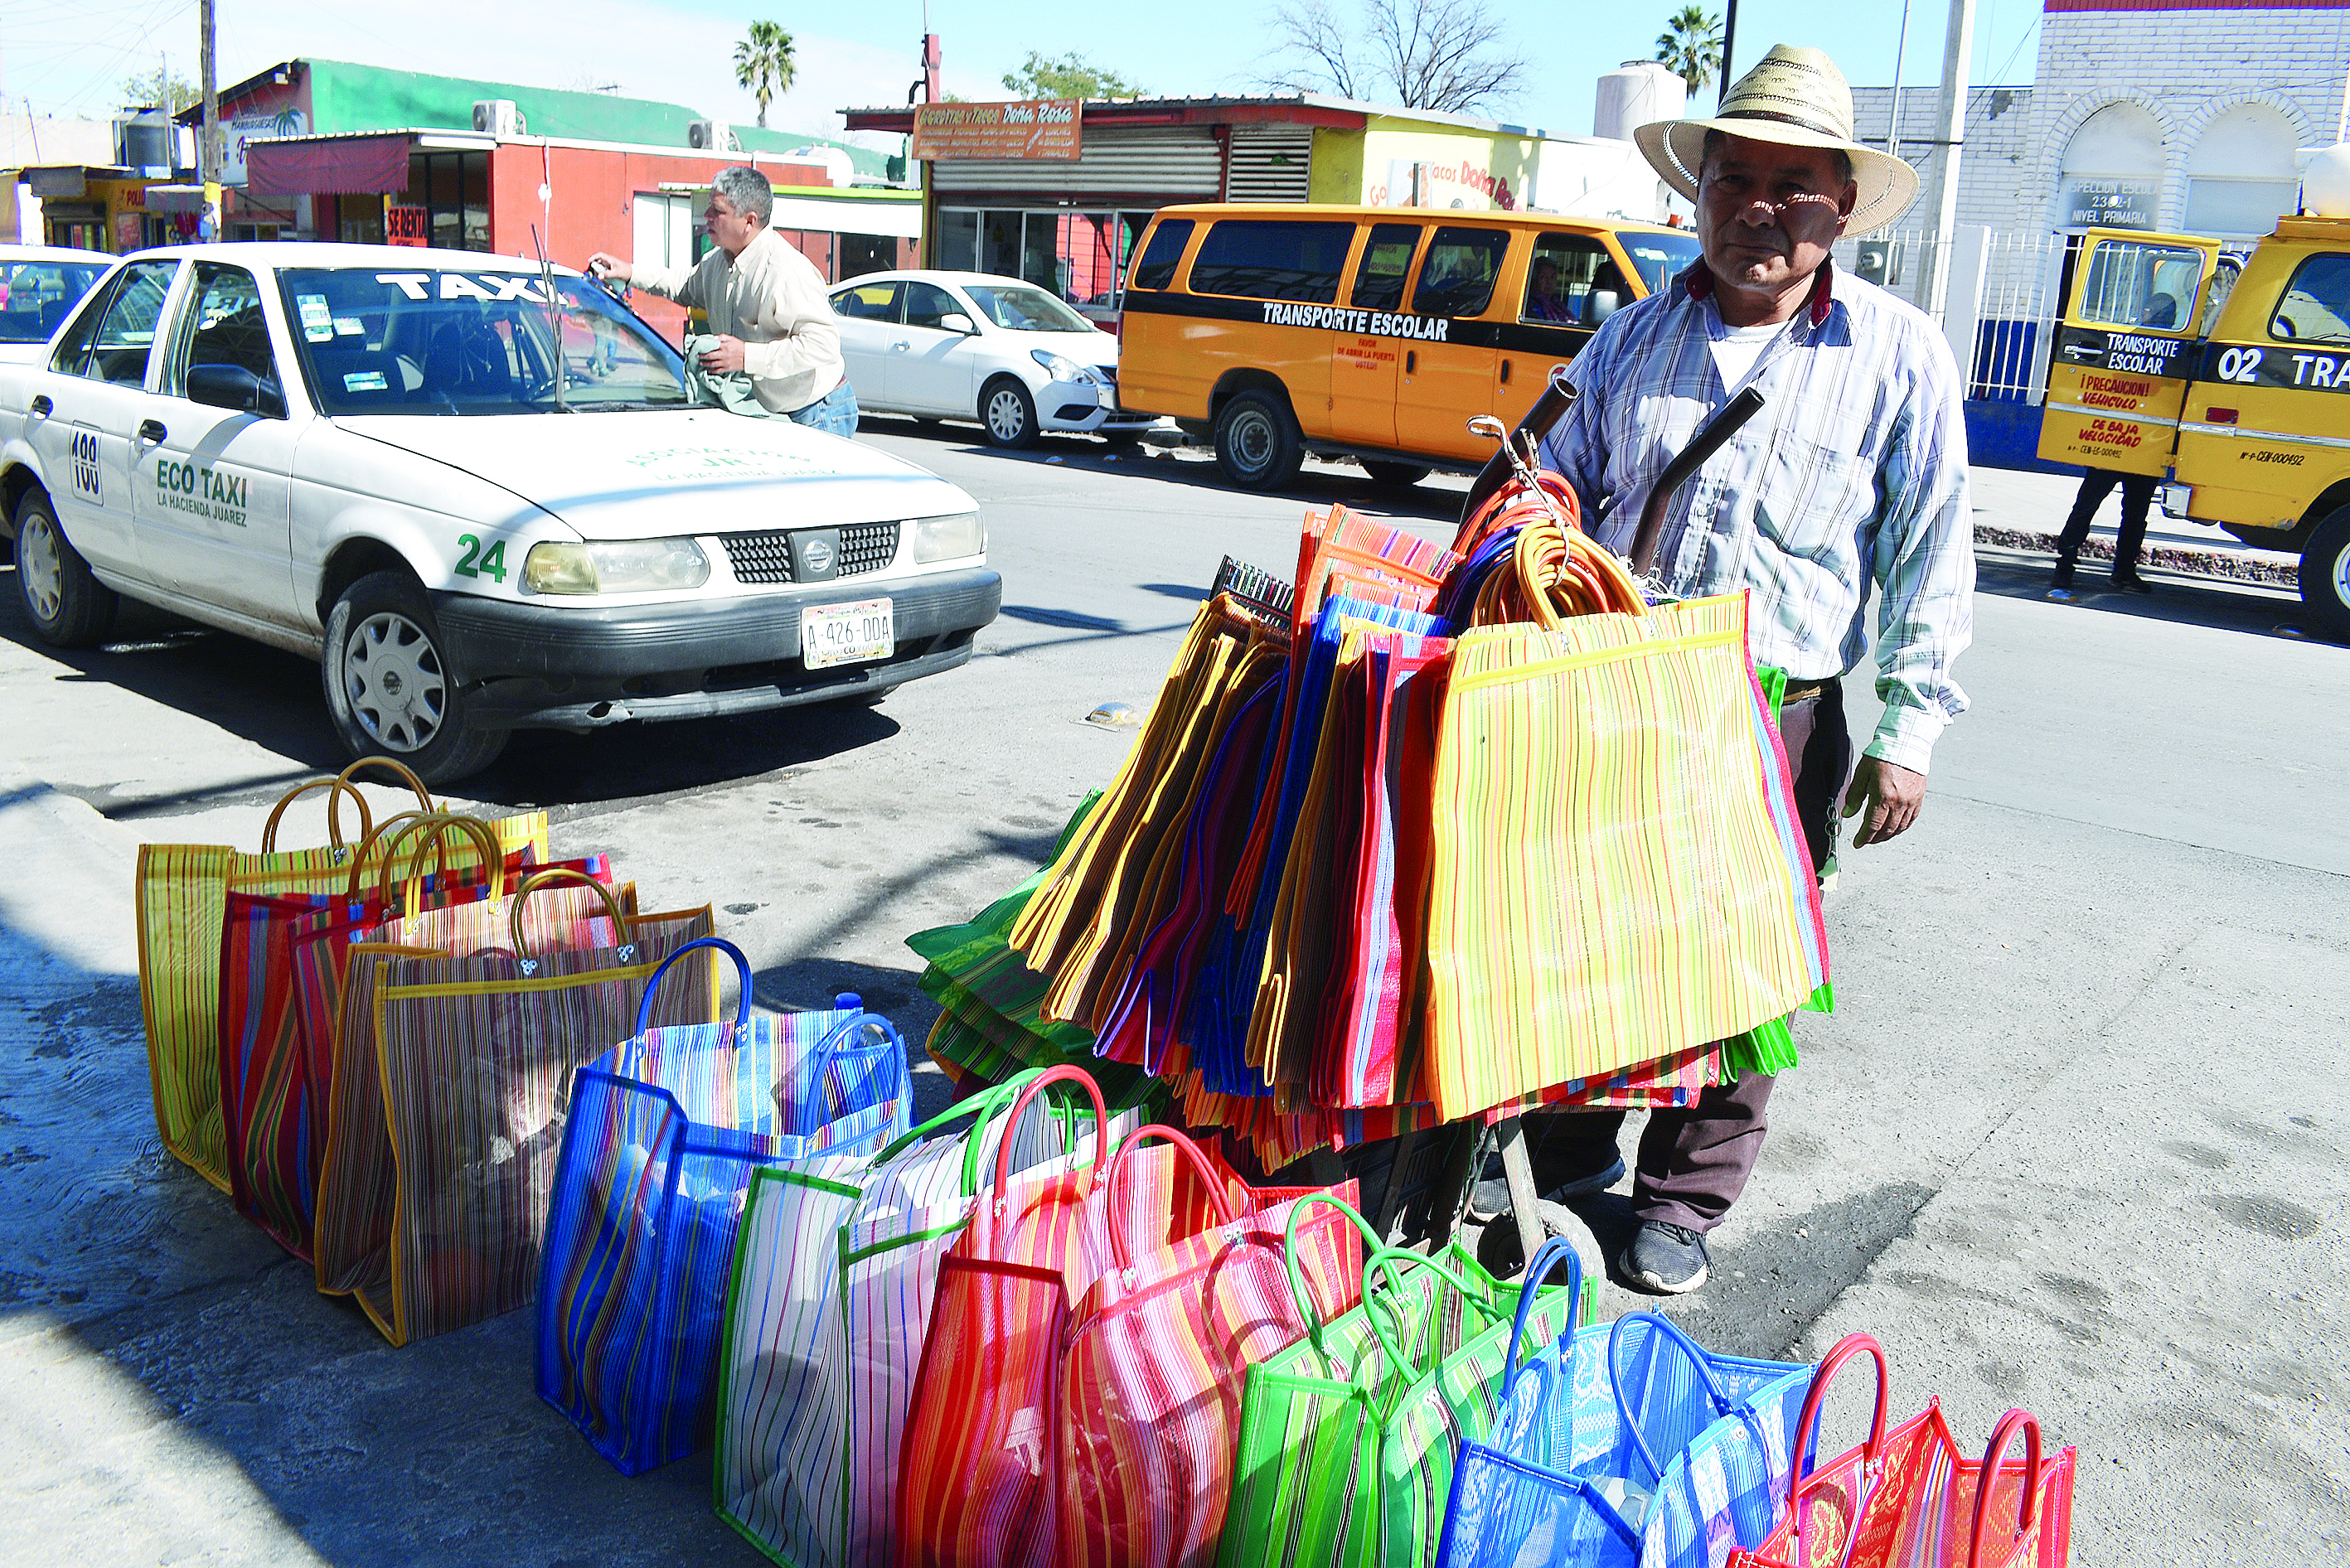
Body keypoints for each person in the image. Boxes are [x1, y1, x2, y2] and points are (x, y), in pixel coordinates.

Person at [1503, 43, 1974, 1295]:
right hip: (1613, 701)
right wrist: (1533, 508)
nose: (1759, 208)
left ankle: (1680, 1200)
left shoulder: (1896, 351)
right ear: (1695, 190)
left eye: (1793, 185)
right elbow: (1560, 491)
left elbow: (1933, 549)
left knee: (1739, 968)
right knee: (1589, 947)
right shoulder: (1629, 337)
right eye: (1734, 179)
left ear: (1837, 207)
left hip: (1780, 714)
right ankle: (1566, 1153)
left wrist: (1907, 729)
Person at [588, 165, 856, 435]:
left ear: (749, 221)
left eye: (717, 211)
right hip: (766, 412)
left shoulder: (786, 272)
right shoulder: (719, 261)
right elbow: (684, 286)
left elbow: (824, 346)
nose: (707, 216)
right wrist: (630, 272)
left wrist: (746, 356)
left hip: (816, 411)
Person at [2051, 471, 2156, 596]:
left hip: (2146, 461)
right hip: (2117, 457)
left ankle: (2123, 572)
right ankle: (2064, 566)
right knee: (2085, 508)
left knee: (2135, 518)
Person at [1524, 257, 1574, 323]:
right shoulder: (1532, 305)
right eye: (1543, 277)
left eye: (1552, 277)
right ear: (1533, 280)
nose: (1549, 281)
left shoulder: (1556, 303)